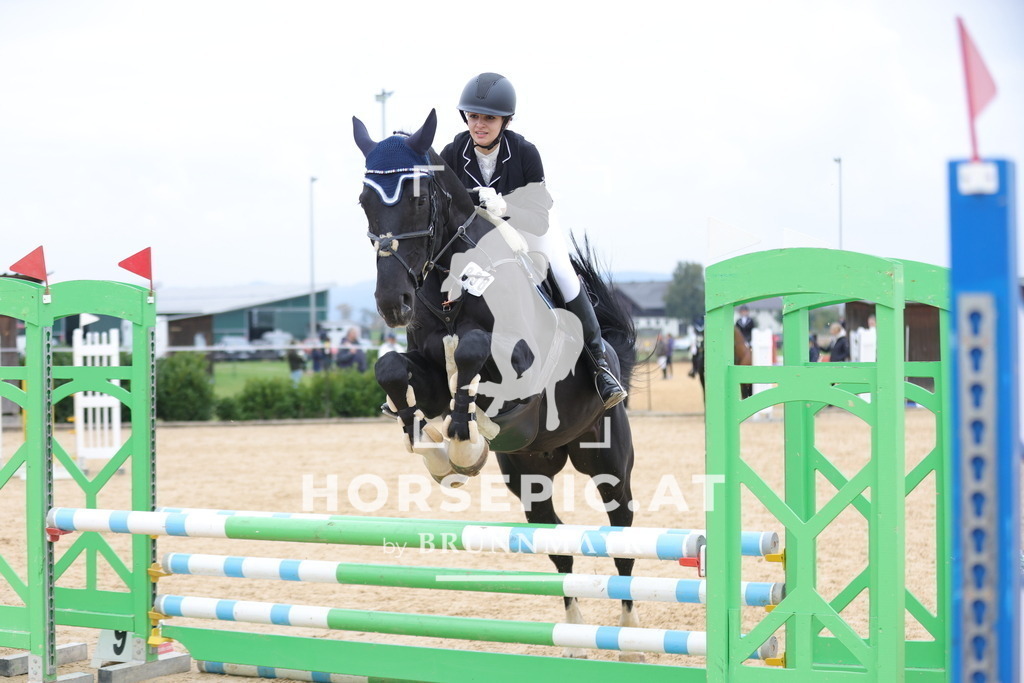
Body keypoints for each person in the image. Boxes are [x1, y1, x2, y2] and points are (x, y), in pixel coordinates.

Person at [439, 72, 626, 409]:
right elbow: (442, 201)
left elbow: (538, 219)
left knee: (564, 273)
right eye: (474, 116)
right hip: (479, 241)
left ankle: (598, 363)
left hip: (528, 229)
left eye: (489, 118)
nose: (479, 124)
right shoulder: (453, 151)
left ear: (505, 120)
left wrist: (504, 205)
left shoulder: (524, 152)